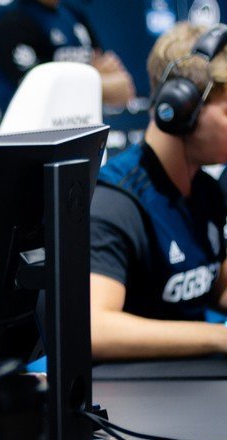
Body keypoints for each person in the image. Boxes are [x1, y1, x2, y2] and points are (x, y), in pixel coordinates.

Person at [90, 21, 227, 361]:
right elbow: (94, 328)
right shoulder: (114, 203)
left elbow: (218, 286)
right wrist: (219, 337)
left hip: (191, 379)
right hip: (134, 388)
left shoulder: (205, 191)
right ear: (181, 109)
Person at [0, 0, 136, 109]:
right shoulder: (13, 21)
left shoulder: (74, 15)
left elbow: (123, 89)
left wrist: (71, 85)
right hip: (35, 135)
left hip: (85, 132)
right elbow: (38, 90)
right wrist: (97, 80)